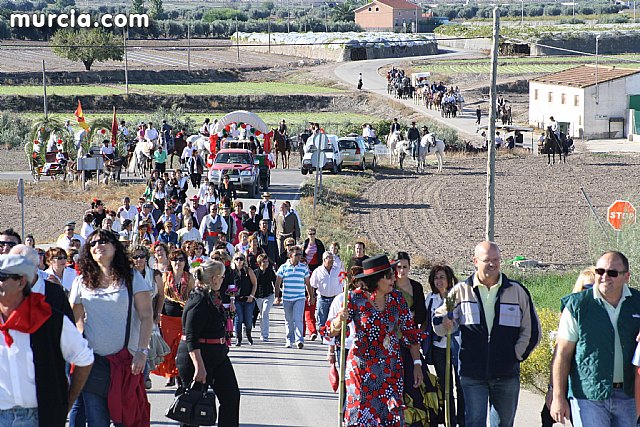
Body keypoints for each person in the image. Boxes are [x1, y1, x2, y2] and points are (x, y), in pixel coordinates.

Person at [433, 241, 541, 427]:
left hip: (506, 374)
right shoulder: (460, 291)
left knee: (503, 424)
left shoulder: (516, 291)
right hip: (472, 374)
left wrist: (516, 355)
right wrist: (444, 322)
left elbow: (532, 329)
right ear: (475, 261)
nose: (492, 264)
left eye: (496, 259)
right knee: (475, 422)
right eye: (487, 260)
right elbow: (440, 317)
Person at [68, 229, 153, 426]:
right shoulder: (81, 281)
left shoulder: (131, 277)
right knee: (97, 422)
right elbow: (75, 318)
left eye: (104, 241)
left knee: (127, 421)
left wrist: (142, 351)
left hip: (127, 363)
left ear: (115, 247)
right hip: (93, 364)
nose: (98, 246)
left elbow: (146, 315)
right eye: (93, 243)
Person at [328, 255, 425, 426]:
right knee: (362, 415)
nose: (393, 279)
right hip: (362, 368)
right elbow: (333, 331)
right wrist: (339, 320)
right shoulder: (354, 298)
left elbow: (410, 333)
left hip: (390, 369)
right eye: (389, 276)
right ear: (376, 279)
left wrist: (417, 364)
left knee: (390, 416)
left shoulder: (397, 299)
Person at [0, 254, 94, 426]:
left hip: (39, 417)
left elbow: (84, 359)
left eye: (2, 277)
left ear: (21, 282)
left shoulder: (51, 320)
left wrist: (66, 402)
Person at [551, 251, 640, 427]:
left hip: (629, 395)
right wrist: (558, 396)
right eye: (600, 271)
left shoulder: (637, 302)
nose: (605, 277)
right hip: (588, 395)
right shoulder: (577, 306)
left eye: (612, 273)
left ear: (626, 276)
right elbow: (562, 354)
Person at [176, 259, 240, 426]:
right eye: (222, 276)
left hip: (217, 357)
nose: (224, 279)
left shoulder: (213, 297)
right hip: (197, 358)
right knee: (192, 406)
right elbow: (191, 336)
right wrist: (199, 367)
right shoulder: (199, 300)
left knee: (231, 397)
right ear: (214, 279)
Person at [425, 264, 465, 427]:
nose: (439, 281)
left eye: (442, 277)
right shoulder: (431, 299)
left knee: (461, 386)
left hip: (458, 347)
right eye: (436, 278)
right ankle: (450, 420)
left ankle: (462, 421)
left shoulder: (457, 297)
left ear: (449, 279)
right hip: (438, 348)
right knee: (445, 386)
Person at [152, 249, 193, 388]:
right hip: (167, 318)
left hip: (183, 318)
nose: (178, 262)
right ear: (170, 262)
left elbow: (192, 296)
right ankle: (170, 375)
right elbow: (159, 296)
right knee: (168, 348)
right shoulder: (164, 277)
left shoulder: (190, 278)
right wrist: (156, 313)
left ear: (185, 262)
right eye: (175, 259)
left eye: (181, 259)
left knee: (180, 348)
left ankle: (180, 375)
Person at [275, 246, 313, 349]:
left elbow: (308, 283)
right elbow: (278, 283)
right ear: (290, 255)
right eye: (297, 255)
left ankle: (299, 340)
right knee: (289, 320)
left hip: (299, 297)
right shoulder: (283, 267)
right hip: (287, 298)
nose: (299, 257)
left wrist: (310, 296)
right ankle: (289, 340)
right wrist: (277, 296)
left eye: (300, 254)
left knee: (298, 318)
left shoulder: (303, 267)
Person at [230, 253, 257, 346]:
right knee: (239, 318)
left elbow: (254, 283)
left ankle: (249, 335)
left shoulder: (248, 270)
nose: (239, 261)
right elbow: (230, 286)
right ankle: (239, 338)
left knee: (248, 320)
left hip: (248, 299)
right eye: (237, 259)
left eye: (241, 259)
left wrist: (251, 295)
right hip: (237, 299)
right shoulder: (232, 272)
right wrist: (232, 299)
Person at [311, 251, 342, 332]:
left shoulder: (338, 270)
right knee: (322, 321)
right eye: (329, 259)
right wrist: (311, 297)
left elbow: (343, 283)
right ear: (324, 260)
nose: (331, 261)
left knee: (335, 320)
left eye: (332, 259)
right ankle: (323, 337)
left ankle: (333, 337)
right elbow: (313, 285)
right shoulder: (318, 271)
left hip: (335, 299)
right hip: (322, 299)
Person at [254, 253, 276, 342]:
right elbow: (252, 284)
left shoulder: (270, 272)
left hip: (269, 295)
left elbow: (276, 282)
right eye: (264, 262)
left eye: (267, 262)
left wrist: (278, 295)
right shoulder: (255, 272)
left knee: (265, 313)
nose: (266, 263)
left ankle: (265, 335)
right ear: (260, 263)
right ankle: (262, 331)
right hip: (258, 296)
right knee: (261, 314)